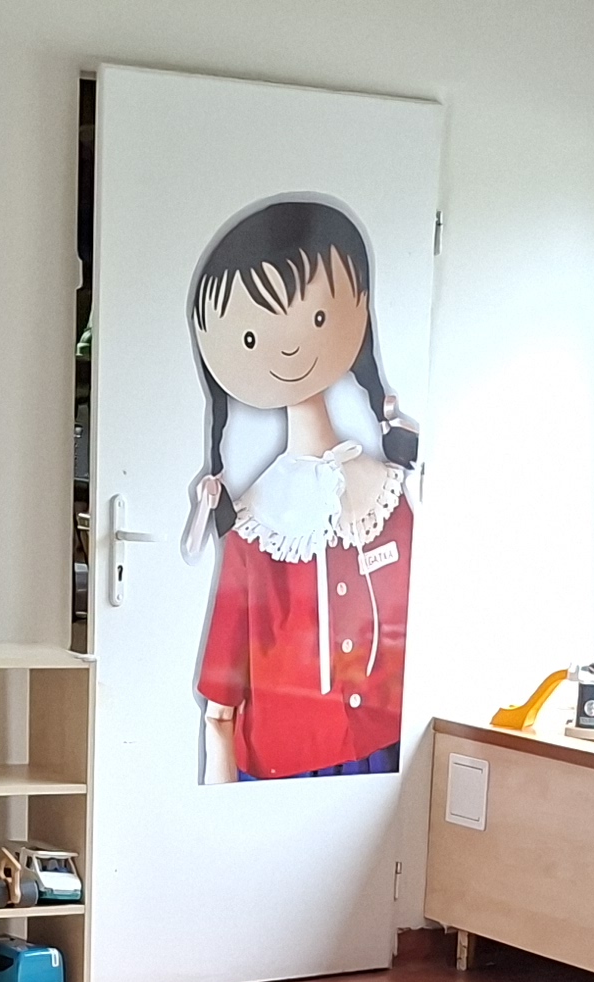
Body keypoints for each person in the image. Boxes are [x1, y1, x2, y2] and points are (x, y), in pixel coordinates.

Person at [181, 196, 422, 784]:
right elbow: (221, 702)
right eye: (251, 338)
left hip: (389, 752)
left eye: (316, 319)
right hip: (283, 770)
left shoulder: (389, 498)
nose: (288, 349)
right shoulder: (256, 527)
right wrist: (220, 808)